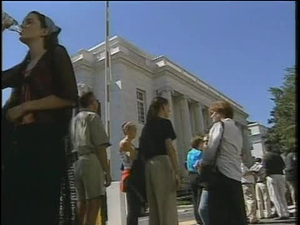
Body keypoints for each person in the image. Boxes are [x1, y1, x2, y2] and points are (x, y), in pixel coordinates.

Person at [2, 11, 78, 225]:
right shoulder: (24, 67)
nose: (23, 24)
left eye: (30, 21)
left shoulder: (56, 53)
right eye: (23, 21)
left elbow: (69, 96)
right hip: (19, 145)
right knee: (13, 209)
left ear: (45, 31)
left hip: (44, 144)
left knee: (40, 210)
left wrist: (25, 107)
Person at [200, 100, 248, 225]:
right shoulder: (236, 129)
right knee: (234, 213)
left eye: (212, 113)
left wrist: (203, 162)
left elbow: (211, 149)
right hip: (235, 174)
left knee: (214, 212)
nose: (211, 117)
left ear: (220, 112)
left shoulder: (219, 125)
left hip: (220, 173)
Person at [70, 90, 112, 225]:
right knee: (94, 201)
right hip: (90, 159)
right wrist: (107, 171)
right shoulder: (93, 117)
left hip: (77, 161)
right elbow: (100, 146)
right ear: (91, 103)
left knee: (81, 202)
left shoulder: (74, 120)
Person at [139, 96, 181, 225]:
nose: (169, 110)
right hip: (162, 163)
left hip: (149, 166)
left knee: (155, 206)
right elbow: (170, 147)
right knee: (167, 204)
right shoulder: (165, 123)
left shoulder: (146, 127)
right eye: (168, 106)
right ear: (163, 106)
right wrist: (177, 171)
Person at [119, 121, 143, 225]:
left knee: (136, 207)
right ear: (127, 130)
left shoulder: (130, 143)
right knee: (132, 207)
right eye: (134, 130)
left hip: (134, 173)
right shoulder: (125, 143)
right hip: (130, 174)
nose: (135, 132)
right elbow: (133, 157)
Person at [263, 147, 290, 220]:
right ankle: (286, 212)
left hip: (272, 176)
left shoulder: (266, 156)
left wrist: (264, 176)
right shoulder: (278, 156)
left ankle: (281, 213)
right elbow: (283, 165)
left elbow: (265, 168)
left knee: (275, 196)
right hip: (280, 175)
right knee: (282, 196)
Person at [186, 136, 205, 225]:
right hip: (198, 175)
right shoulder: (200, 153)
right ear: (199, 144)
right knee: (201, 197)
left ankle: (197, 218)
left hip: (191, 175)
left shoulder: (189, 153)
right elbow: (200, 164)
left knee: (195, 198)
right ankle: (202, 218)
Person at [197, 134, 209, 225]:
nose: (205, 144)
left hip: (220, 186)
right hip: (207, 186)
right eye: (204, 142)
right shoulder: (202, 157)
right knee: (203, 209)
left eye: (207, 142)